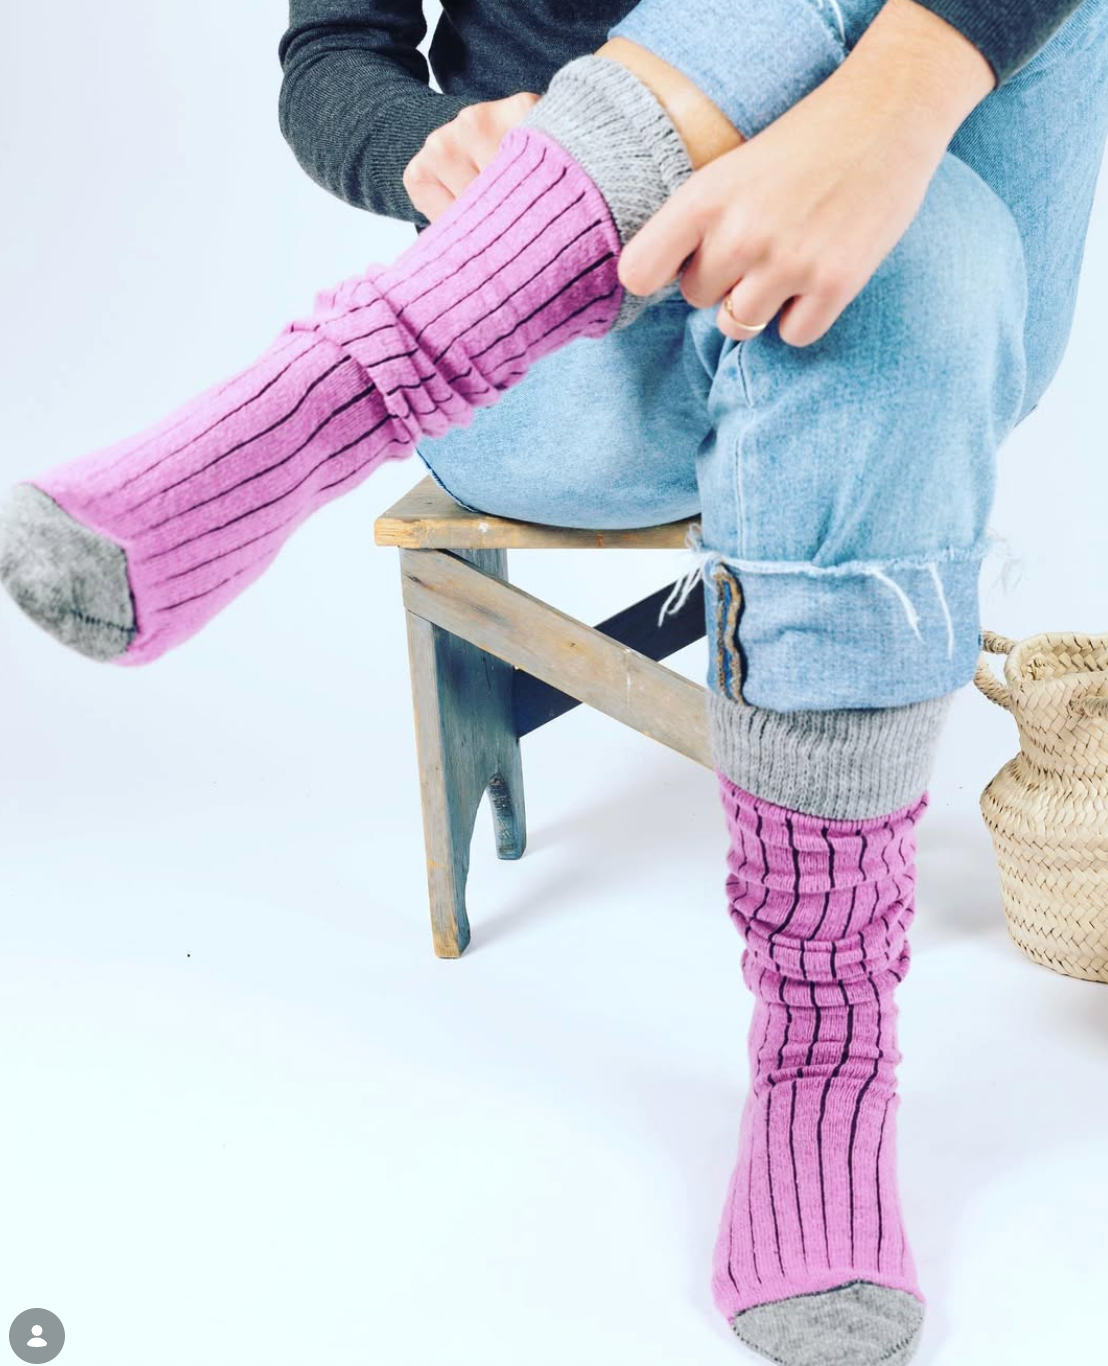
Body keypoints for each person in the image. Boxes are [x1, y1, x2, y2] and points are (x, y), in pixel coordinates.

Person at [0, 1, 1105, 1361]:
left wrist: (892, 102)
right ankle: (378, 364)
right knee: (908, 287)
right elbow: (331, 59)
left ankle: (315, 407)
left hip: (934, 197)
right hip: (567, 333)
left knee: (916, 263)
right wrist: (426, 145)